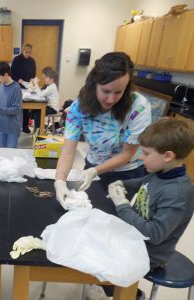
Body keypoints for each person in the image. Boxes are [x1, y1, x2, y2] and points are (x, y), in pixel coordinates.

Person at [106, 117, 194, 299]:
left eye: (146, 153)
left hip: (150, 253)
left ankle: (131, 295)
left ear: (168, 156)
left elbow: (155, 234)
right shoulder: (162, 172)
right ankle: (122, 290)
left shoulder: (177, 193)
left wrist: (123, 206)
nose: (141, 157)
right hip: (136, 237)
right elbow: (144, 182)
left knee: (99, 257)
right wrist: (123, 183)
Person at [54, 52, 151, 207]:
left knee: (116, 218)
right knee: (88, 211)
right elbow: (68, 150)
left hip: (126, 173)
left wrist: (95, 171)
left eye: (118, 92)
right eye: (106, 91)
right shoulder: (79, 107)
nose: (111, 99)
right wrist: (60, 181)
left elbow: (127, 153)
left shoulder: (138, 107)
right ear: (94, 84)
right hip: (92, 166)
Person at [0, 62, 22, 148]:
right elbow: (1, 105)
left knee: (11, 154)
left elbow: (16, 110)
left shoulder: (16, 88)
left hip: (13, 127)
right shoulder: (0, 87)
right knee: (1, 153)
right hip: (2, 126)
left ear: (6, 75)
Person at [11, 43, 36, 134]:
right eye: (26, 52)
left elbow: (33, 74)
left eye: (30, 53)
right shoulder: (17, 60)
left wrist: (32, 81)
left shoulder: (32, 61)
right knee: (17, 106)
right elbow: (13, 74)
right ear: (23, 50)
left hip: (27, 87)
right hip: (17, 86)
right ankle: (15, 126)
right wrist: (21, 81)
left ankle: (25, 126)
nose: (28, 54)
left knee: (26, 107)